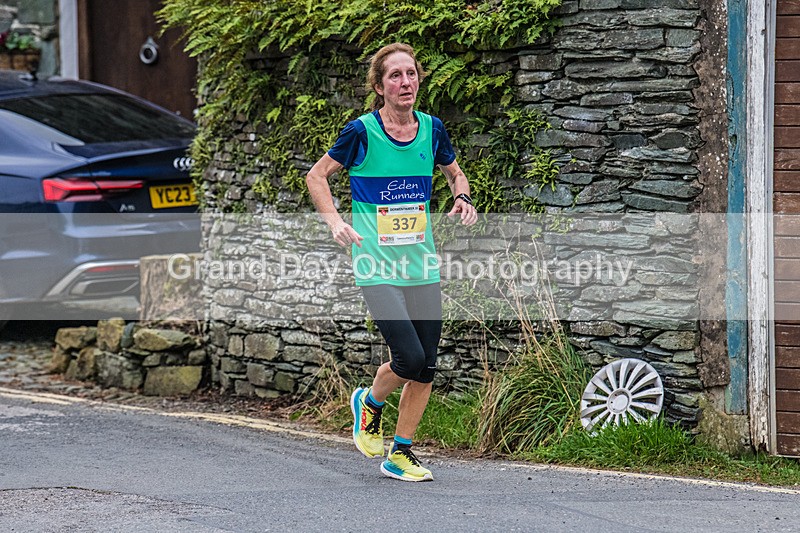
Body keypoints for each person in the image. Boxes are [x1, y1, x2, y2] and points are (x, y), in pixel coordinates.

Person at [306, 42, 477, 482]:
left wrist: (461, 197)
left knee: (428, 365)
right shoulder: (361, 132)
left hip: (421, 264)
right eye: (395, 76)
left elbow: (455, 172)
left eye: (411, 74)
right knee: (408, 357)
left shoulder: (432, 130)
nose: (406, 82)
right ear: (380, 87)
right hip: (376, 265)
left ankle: (400, 453)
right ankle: (369, 401)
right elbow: (317, 176)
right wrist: (334, 223)